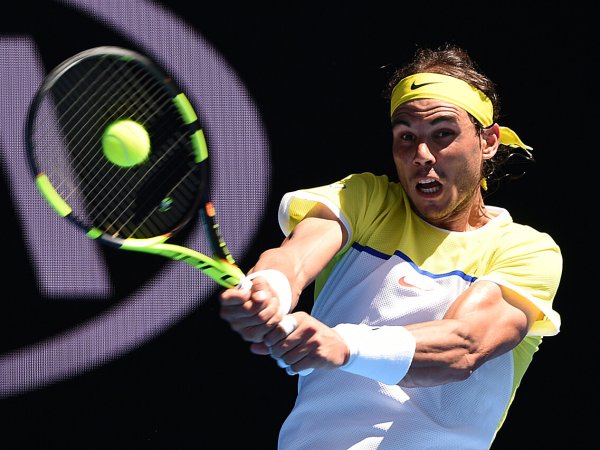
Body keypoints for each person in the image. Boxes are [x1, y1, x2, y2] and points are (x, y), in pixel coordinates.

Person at [218, 43, 562, 449]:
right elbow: (294, 257)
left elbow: (464, 346)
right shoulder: (364, 199)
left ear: (488, 141)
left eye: (443, 134)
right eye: (406, 136)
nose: (421, 154)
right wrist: (271, 288)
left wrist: (344, 344)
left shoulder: (527, 250)